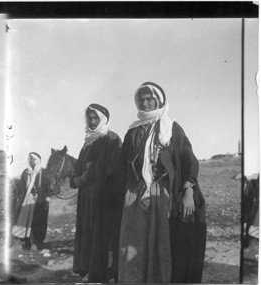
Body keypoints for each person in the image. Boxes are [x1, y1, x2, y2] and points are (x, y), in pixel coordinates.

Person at [118, 82, 206, 283]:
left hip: (162, 192)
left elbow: (188, 161)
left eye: (150, 99)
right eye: (142, 99)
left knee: (159, 241)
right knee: (131, 241)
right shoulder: (133, 131)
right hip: (135, 192)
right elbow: (123, 164)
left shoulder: (172, 128)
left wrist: (189, 191)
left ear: (159, 101)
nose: (145, 102)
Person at [69, 104, 122, 283]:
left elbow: (112, 169)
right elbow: (79, 166)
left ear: (104, 120)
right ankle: (89, 271)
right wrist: (77, 178)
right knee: (88, 233)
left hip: (102, 198)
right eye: (89, 118)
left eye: (95, 118)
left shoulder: (111, 139)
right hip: (87, 198)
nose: (92, 122)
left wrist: (87, 175)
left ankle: (102, 274)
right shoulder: (88, 142)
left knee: (102, 235)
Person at [11, 152, 51, 250]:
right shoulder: (26, 172)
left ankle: (38, 242)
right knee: (27, 220)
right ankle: (27, 241)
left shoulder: (43, 172)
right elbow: (21, 187)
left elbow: (48, 186)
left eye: (31, 159)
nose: (30, 160)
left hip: (40, 201)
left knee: (40, 221)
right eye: (29, 159)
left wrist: (47, 199)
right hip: (27, 199)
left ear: (36, 160)